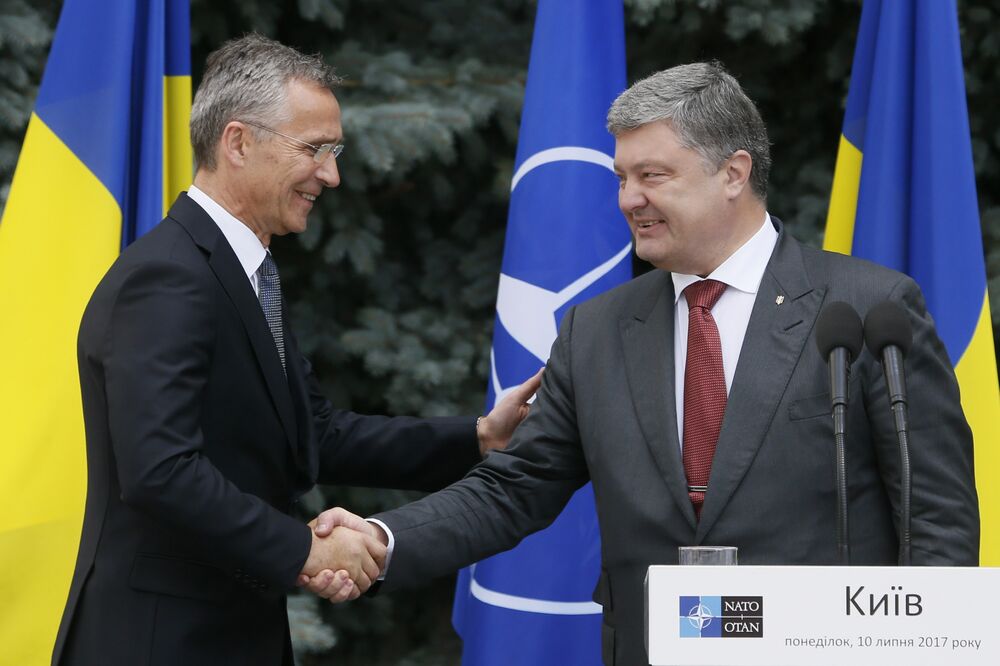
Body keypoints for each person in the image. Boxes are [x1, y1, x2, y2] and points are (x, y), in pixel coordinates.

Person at [306, 62, 979, 665]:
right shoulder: (596, 330)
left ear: (734, 174)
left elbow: (936, 517)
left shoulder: (866, 308)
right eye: (622, 178)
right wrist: (383, 538)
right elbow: (516, 486)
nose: (629, 199)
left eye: (652, 176)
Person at [52, 34, 540, 666]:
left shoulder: (244, 273)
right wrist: (304, 550)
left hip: (226, 635)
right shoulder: (168, 276)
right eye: (314, 149)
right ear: (237, 143)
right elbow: (160, 470)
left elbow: (316, 434)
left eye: (334, 152)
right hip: (157, 642)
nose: (331, 175)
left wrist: (477, 437)